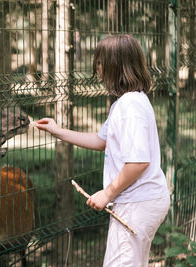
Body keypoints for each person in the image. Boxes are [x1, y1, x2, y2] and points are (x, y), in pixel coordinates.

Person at [36, 34, 170, 266]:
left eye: (100, 62)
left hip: (137, 204)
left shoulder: (130, 106)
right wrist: (57, 131)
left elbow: (138, 162)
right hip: (139, 201)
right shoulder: (127, 102)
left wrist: (107, 193)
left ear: (115, 65)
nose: (97, 68)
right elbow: (101, 140)